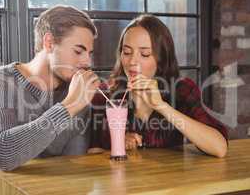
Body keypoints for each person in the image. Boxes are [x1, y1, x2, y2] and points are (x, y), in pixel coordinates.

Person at [0, 5, 100, 195]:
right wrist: (69, 106)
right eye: (78, 51)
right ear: (49, 42)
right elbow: (4, 155)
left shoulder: (75, 95)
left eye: (89, 53)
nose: (87, 62)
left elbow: (70, 169)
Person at [89, 14, 228, 158]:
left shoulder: (181, 90)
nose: (132, 61)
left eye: (144, 54)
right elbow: (92, 151)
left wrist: (161, 106)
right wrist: (117, 144)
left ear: (161, 58)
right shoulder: (106, 95)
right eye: (127, 52)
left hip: (170, 178)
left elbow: (219, 148)